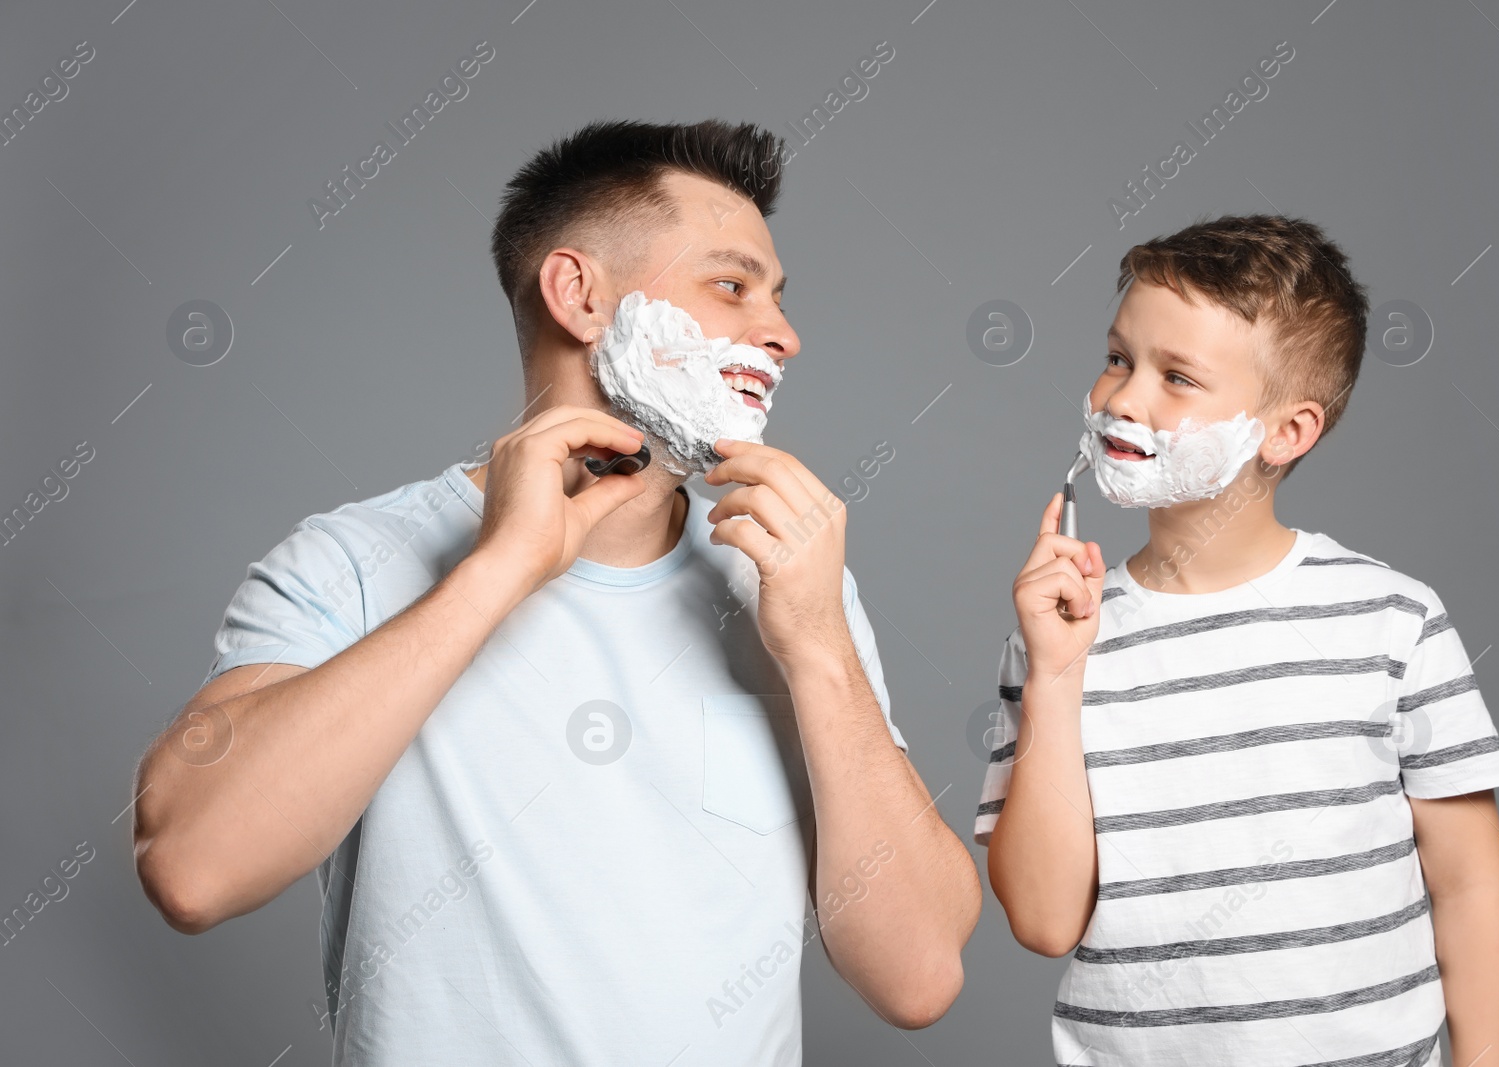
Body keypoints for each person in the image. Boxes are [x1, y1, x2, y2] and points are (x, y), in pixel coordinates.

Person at [133, 119, 980, 1066]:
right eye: (733, 286)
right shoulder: (352, 563)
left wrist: (821, 649)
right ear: (580, 294)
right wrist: (499, 569)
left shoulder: (787, 583)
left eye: (777, 298)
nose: (781, 334)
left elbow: (918, 976)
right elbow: (192, 868)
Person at [975, 215, 1499, 1065]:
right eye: (1118, 357)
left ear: (1287, 432)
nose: (1122, 397)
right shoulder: (1057, 634)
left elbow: (1470, 884)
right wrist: (1054, 675)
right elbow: (1045, 921)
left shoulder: (1394, 621)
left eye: (1177, 377)